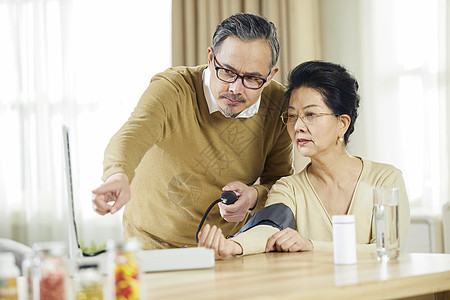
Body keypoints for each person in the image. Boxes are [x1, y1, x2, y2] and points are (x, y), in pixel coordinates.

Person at [91, 13, 294, 249]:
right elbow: (133, 133)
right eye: (227, 71)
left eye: (252, 78)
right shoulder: (173, 89)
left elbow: (279, 181)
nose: (235, 88)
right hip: (151, 245)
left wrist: (253, 196)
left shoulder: (278, 104)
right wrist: (118, 175)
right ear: (211, 58)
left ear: (270, 75)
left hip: (224, 248)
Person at [198, 61, 411, 258]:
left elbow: (389, 250)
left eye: (310, 115)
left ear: (342, 123)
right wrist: (232, 246)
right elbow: (268, 228)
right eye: (292, 116)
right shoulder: (288, 188)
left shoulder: (385, 180)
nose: (298, 126)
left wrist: (311, 245)